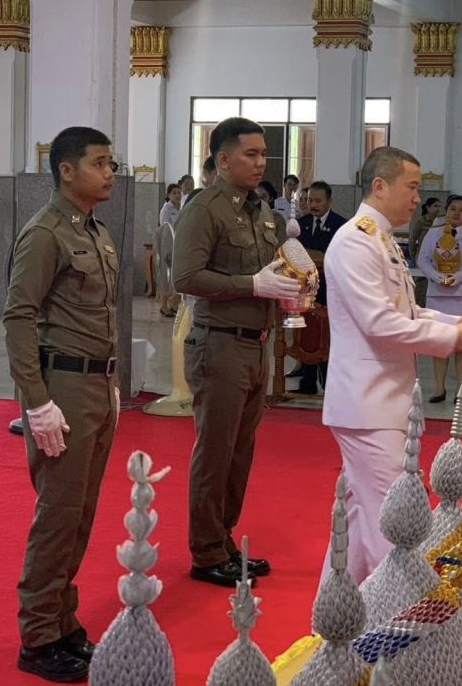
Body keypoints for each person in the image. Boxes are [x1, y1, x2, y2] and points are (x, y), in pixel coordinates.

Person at [321, 146, 462, 584]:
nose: (417, 198)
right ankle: (399, 609)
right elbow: (379, 323)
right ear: (379, 186)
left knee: (361, 518)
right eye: (411, 187)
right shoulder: (355, 242)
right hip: (366, 403)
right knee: (396, 524)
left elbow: (409, 312)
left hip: (384, 400)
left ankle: (337, 607)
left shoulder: (382, 239)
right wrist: (456, 338)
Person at [3, 126, 121, 683]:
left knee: (81, 513)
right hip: (63, 389)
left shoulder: (95, 231)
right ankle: (37, 637)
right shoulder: (45, 233)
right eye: (99, 163)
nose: (110, 172)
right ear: (66, 170)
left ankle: (61, 620)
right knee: (57, 515)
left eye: (112, 163)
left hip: (96, 385)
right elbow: (18, 317)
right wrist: (37, 401)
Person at [172, 117, 302, 588]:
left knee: (240, 452)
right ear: (223, 159)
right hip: (220, 343)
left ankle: (222, 537)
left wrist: (288, 285)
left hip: (256, 344)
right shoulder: (204, 209)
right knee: (216, 450)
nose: (261, 162)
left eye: (263, 154)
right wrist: (251, 284)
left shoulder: (261, 209)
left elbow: (269, 270)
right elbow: (185, 277)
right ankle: (205, 550)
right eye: (251, 154)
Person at [416, 194, 462, 402]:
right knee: (439, 344)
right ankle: (439, 389)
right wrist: (435, 275)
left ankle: (460, 390)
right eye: (452, 209)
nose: (457, 213)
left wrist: (461, 276)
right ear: (446, 211)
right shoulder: (434, 233)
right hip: (438, 295)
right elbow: (423, 259)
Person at [295, 180, 347, 394]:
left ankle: (329, 383)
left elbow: (341, 259)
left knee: (326, 337)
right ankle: (307, 382)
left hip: (329, 291)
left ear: (329, 201)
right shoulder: (301, 224)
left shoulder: (340, 225)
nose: (313, 205)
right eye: (310, 200)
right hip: (305, 290)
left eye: (318, 201)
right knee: (305, 334)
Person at [409, 196, 441, 263]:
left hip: (437, 256)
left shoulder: (440, 222)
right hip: (422, 255)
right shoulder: (421, 222)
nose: (438, 209)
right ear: (428, 207)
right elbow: (412, 240)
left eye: (439, 206)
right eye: (435, 206)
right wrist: (413, 256)